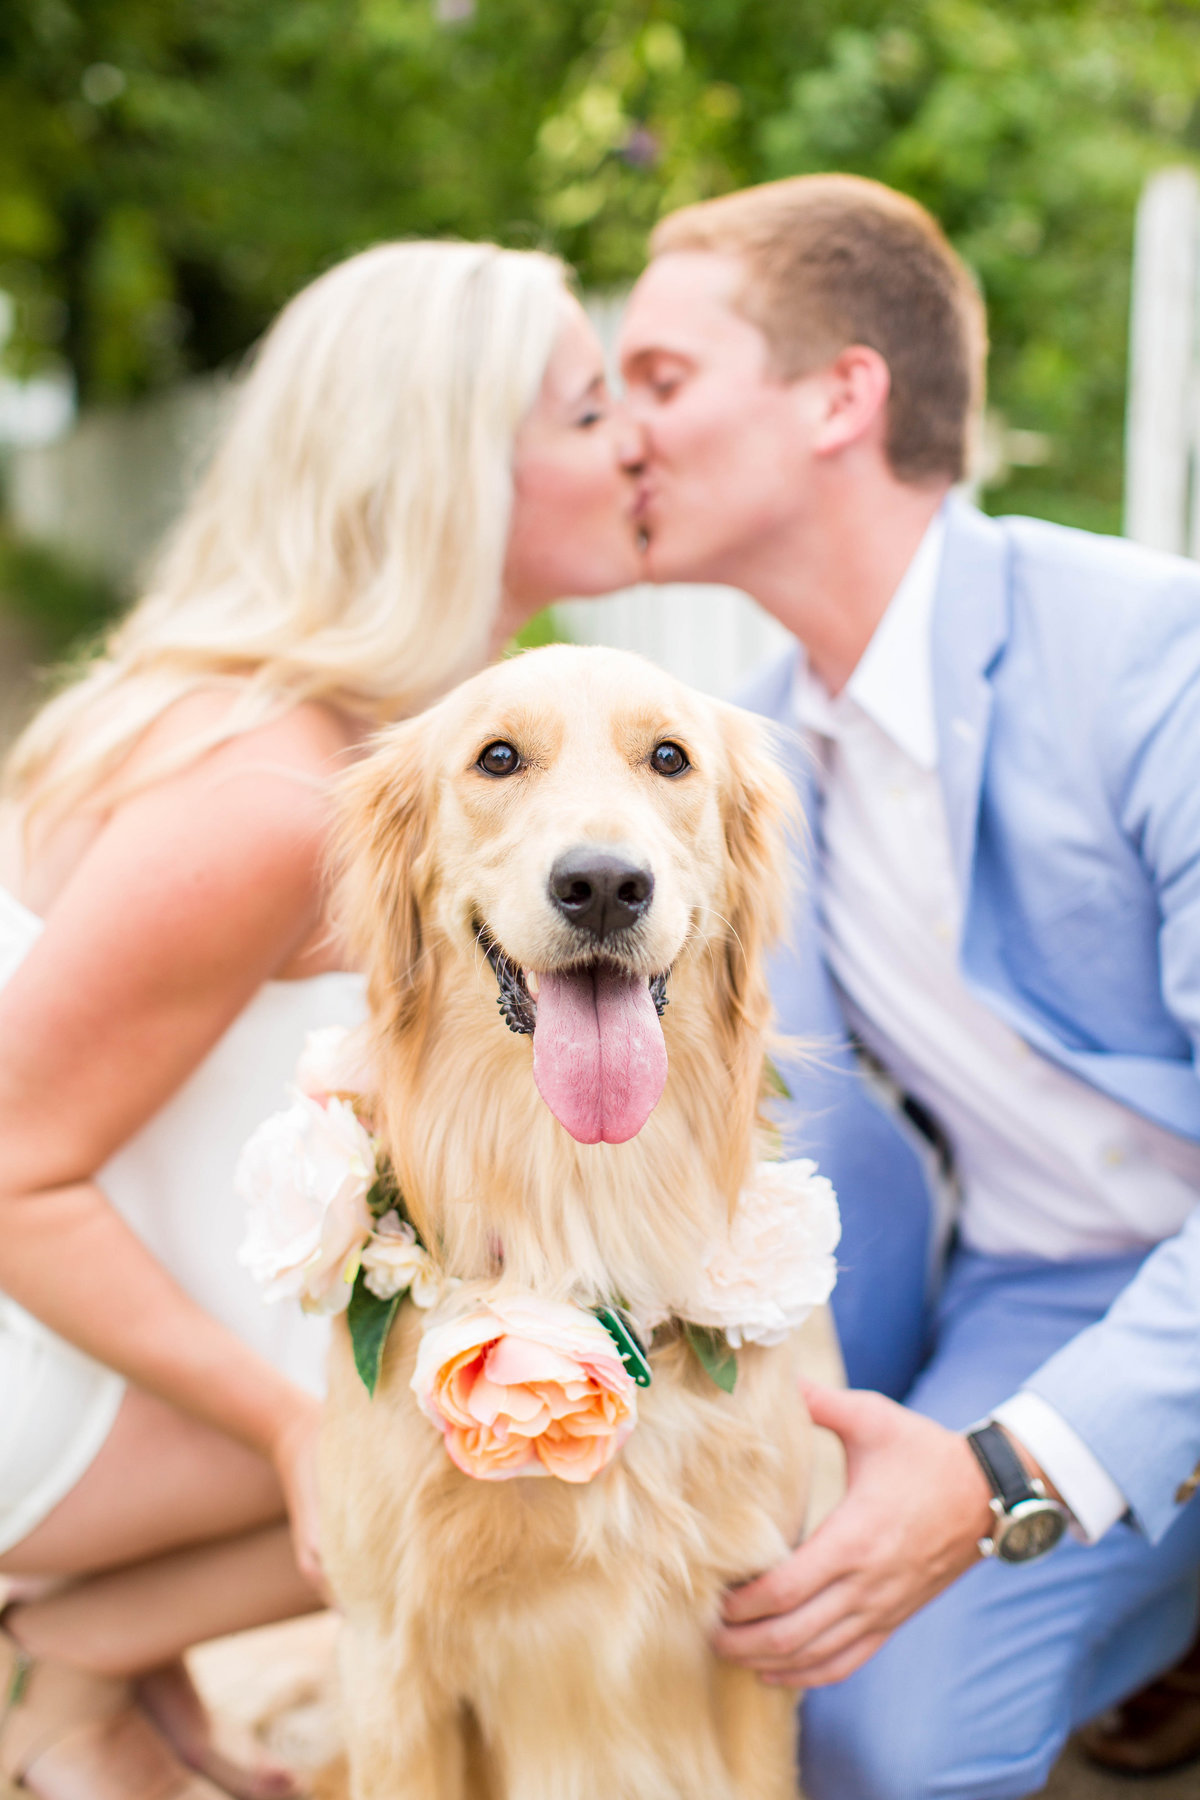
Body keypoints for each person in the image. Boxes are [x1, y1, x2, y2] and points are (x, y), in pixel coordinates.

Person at [0, 238, 645, 1800]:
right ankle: (61, 1652)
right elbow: (10, 1168)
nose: (634, 438)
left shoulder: (370, 727)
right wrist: (300, 1437)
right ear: (454, 476)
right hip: (32, 1381)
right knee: (548, 1427)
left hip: (80, 1336)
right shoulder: (271, 789)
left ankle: (96, 1690)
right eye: (586, 410)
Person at [618, 172, 1200, 1800]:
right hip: (1046, 1283)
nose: (621, 438)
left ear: (840, 396)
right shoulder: (734, 756)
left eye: (662, 382)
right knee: (857, 1718)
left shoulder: (1159, 661)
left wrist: (1013, 1467)